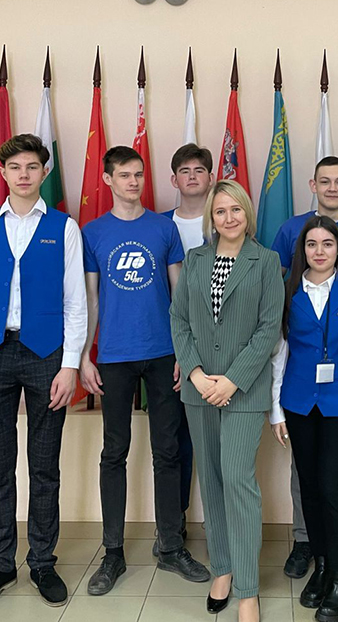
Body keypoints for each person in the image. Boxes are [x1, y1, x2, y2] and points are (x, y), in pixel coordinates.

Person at [0, 134, 87, 609]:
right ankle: (0, 563)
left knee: (44, 465)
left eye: (32, 167)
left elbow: (76, 303)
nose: (24, 175)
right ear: (3, 173)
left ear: (44, 173)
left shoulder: (64, 229)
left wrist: (70, 365)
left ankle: (43, 562)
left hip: (45, 355)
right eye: (15, 167)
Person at [80, 146, 209, 595]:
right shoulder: (93, 233)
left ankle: (171, 546)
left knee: (167, 451)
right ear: (108, 180)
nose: (133, 182)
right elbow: (91, 299)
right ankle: (112, 554)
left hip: (163, 354)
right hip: (114, 355)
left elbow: (180, 295)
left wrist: (185, 354)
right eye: (124, 175)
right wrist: (84, 355)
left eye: (138, 174)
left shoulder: (163, 228)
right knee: (114, 452)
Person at [170, 180, 284, 622]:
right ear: (211, 218)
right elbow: (179, 320)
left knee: (237, 479)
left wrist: (232, 381)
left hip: (244, 391)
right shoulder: (195, 260)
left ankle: (247, 588)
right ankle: (222, 567)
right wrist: (197, 374)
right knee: (212, 479)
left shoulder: (266, 261)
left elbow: (268, 329)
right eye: (220, 211)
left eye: (236, 209)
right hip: (200, 391)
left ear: (247, 214)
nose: (229, 218)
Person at [270, 155, 338, 580]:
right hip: (300, 374)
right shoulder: (290, 231)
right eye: (325, 181)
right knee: (305, 469)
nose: (332, 188)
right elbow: (278, 309)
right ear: (313, 184)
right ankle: (306, 541)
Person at [270, 216, 338, 622]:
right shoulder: (288, 290)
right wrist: (276, 409)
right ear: (301, 250)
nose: (319, 251)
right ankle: (322, 566)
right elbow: (279, 352)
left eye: (327, 244)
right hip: (298, 401)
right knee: (308, 487)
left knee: (333, 488)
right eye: (311, 244)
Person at [157, 142, 215, 555]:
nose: (192, 177)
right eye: (185, 171)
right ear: (173, 179)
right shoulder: (158, 226)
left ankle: (220, 522)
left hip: (219, 348)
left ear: (211, 178)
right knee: (173, 439)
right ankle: (173, 521)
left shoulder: (226, 221)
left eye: (199, 170)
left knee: (213, 440)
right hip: (169, 348)